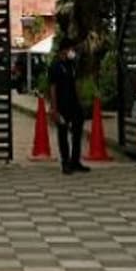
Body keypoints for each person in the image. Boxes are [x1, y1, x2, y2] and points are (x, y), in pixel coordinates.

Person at [48, 37, 90, 174]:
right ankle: (65, 162)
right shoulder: (55, 66)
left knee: (77, 132)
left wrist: (80, 100)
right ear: (64, 50)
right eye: (71, 49)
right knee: (63, 133)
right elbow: (52, 88)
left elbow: (75, 83)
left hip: (74, 104)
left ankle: (75, 161)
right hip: (61, 105)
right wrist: (54, 109)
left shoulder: (71, 64)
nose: (73, 51)